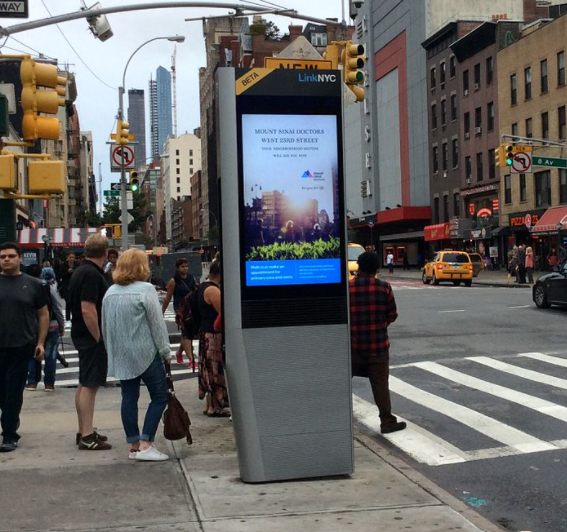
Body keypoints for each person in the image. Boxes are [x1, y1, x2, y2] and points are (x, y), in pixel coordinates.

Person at [102, 249, 171, 461]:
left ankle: (133, 444)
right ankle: (146, 443)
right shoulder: (146, 289)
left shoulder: (110, 292)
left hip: (122, 354)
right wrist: (165, 350)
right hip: (146, 352)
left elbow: (106, 328)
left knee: (129, 397)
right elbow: (157, 324)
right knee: (160, 396)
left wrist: (111, 352)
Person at [349, 251, 406, 434]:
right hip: (378, 347)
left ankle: (335, 419)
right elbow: (392, 314)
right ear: (376, 268)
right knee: (380, 384)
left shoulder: (348, 289)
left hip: (352, 347)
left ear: (358, 266)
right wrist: (381, 325)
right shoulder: (384, 287)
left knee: (342, 383)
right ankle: (387, 421)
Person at [0, 243, 49, 452]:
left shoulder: (33, 284)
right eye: (3, 256)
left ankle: (9, 434)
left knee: (14, 391)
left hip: (22, 344)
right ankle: (11, 419)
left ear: (20, 258)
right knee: (2, 391)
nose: (7, 259)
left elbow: (43, 314)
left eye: (11, 256)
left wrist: (40, 342)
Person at [69, 233, 111, 451]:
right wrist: (98, 338)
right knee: (90, 385)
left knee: (84, 383)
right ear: (106, 252)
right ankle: (86, 435)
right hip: (89, 336)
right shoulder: (92, 275)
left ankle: (84, 430)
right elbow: (88, 308)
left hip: (80, 333)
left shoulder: (80, 271)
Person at [25, 265, 65, 392]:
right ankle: (49, 384)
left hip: (32, 327)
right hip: (52, 325)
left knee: (33, 354)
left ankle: (32, 382)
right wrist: (61, 325)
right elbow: (57, 307)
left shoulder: (25, 287)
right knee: (51, 355)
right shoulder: (47, 286)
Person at [198, 260, 229, 417]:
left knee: (209, 370)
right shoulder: (213, 290)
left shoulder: (204, 285)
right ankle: (214, 406)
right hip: (213, 335)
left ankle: (210, 405)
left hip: (205, 334)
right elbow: (223, 313)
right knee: (214, 370)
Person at [162, 258, 197, 369]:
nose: (185, 268)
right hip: (180, 310)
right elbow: (168, 298)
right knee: (186, 333)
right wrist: (161, 312)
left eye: (186, 266)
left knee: (187, 333)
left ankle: (179, 353)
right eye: (182, 266)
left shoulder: (191, 278)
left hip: (191, 308)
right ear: (177, 268)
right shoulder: (173, 281)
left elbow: (195, 292)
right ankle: (191, 359)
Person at [59, 252, 76, 321]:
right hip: (66, 285)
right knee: (68, 302)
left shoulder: (77, 265)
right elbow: (60, 275)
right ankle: (68, 317)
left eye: (73, 257)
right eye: (70, 257)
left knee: (74, 302)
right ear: (67, 258)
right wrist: (67, 272)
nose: (72, 259)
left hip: (75, 285)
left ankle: (74, 316)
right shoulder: (64, 265)